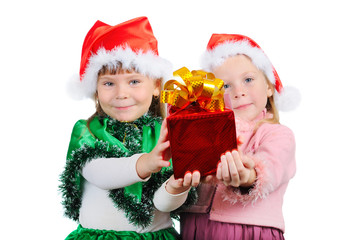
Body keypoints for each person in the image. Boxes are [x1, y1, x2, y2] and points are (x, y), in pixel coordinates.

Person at [59, 17, 198, 240]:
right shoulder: (87, 131)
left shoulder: (165, 133)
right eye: (109, 83)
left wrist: (176, 186)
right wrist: (145, 163)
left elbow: (161, 204)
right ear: (95, 88)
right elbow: (98, 173)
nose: (121, 93)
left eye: (134, 82)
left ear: (155, 86)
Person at [180, 34, 300, 240]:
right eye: (226, 86)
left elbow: (272, 167)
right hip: (196, 228)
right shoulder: (204, 131)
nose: (238, 92)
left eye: (248, 79)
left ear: (269, 86)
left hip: (250, 231)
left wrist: (248, 176)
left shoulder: (277, 134)